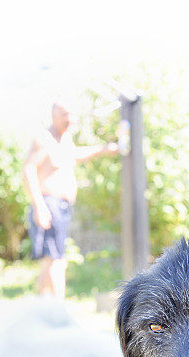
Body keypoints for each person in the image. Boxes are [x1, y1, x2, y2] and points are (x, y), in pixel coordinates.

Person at [23, 100, 119, 299]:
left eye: (72, 115)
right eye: (65, 114)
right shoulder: (45, 139)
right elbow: (28, 170)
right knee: (56, 261)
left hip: (61, 206)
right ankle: (58, 309)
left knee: (51, 260)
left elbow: (76, 155)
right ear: (54, 114)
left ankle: (45, 306)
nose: (70, 120)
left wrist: (104, 149)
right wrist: (39, 206)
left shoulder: (64, 140)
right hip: (49, 205)